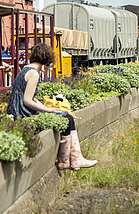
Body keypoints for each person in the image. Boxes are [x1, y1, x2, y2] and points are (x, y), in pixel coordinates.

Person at [7, 43, 97, 171]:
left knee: (67, 118)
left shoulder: (26, 69)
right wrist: (48, 109)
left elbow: (29, 97)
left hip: (18, 109)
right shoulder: (34, 74)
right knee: (67, 119)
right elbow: (27, 100)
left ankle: (73, 160)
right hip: (22, 112)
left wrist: (45, 107)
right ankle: (67, 161)